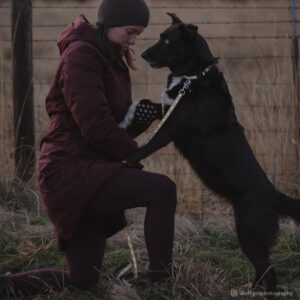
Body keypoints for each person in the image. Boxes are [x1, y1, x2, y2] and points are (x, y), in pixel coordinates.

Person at [0, 0, 177, 297]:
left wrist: (142, 117)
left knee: (82, 280)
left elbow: (108, 122)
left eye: (138, 34)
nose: (133, 41)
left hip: (91, 168)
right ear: (109, 23)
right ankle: (161, 282)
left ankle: (4, 287)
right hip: (68, 171)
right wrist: (133, 154)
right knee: (162, 189)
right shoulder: (80, 56)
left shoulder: (111, 56)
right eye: (130, 32)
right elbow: (95, 125)